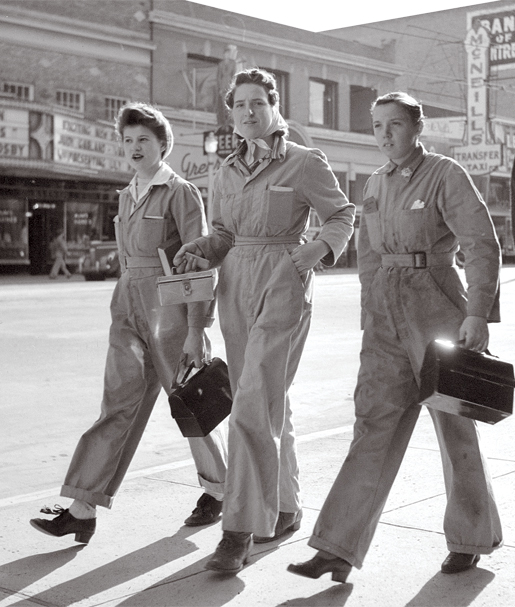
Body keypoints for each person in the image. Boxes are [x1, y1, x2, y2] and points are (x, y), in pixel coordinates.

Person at [288, 91, 503, 584]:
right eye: (377, 125)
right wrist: (371, 315)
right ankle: (337, 547)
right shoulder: (374, 184)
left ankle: (470, 537)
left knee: (454, 428)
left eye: (395, 124)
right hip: (385, 316)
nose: (385, 134)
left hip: (437, 309)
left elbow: (479, 243)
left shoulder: (445, 174)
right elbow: (367, 256)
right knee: (372, 425)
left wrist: (478, 314)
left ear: (417, 127)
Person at [173, 68, 355, 574]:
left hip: (283, 284)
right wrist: (201, 248)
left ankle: (238, 530)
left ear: (274, 107)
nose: (248, 112)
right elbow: (226, 235)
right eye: (239, 106)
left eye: (257, 103)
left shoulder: (303, 162)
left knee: (252, 403)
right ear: (231, 114)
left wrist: (314, 251)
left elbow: (342, 215)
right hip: (234, 286)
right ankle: (287, 506)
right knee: (272, 401)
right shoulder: (224, 171)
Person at [30, 102, 227, 544]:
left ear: (163, 145)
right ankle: (82, 507)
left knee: (190, 403)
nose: (135, 148)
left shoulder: (180, 192)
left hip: (170, 310)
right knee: (116, 404)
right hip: (128, 305)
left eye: (144, 140)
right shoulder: (127, 194)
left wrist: (198, 327)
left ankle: (219, 489)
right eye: (128, 141)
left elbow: (199, 265)